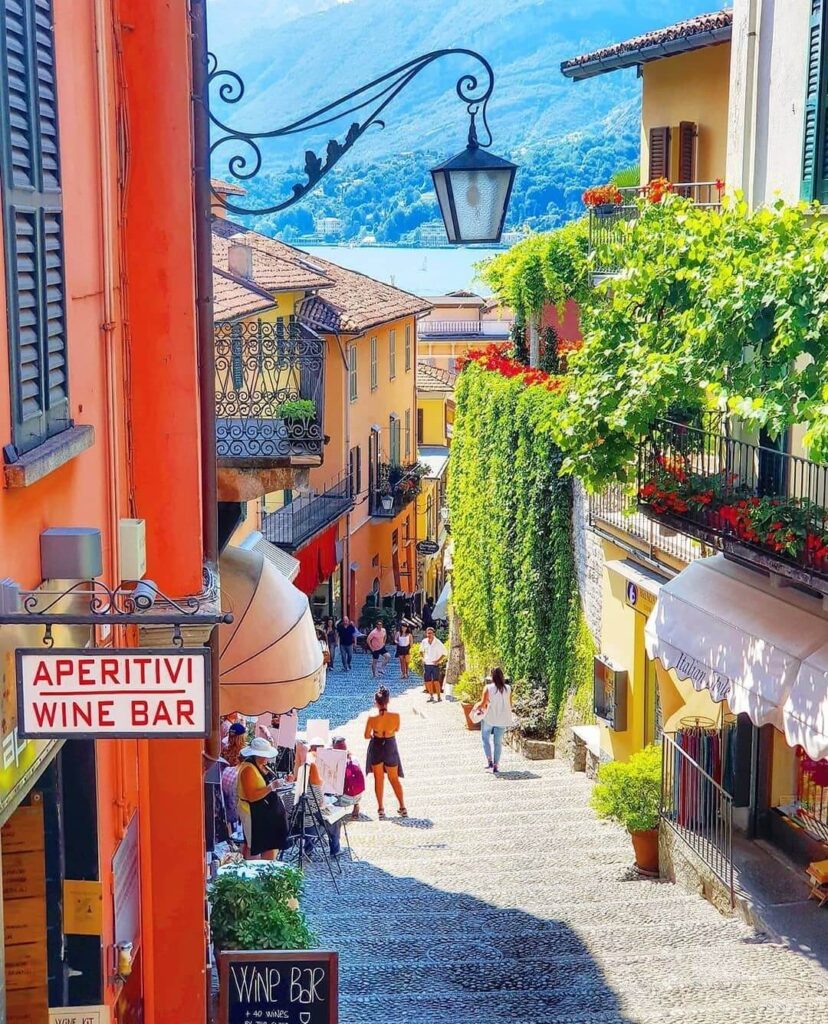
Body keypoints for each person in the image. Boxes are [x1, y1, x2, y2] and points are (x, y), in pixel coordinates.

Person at [236, 736, 289, 860]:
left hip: (265, 813)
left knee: (268, 844)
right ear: (257, 755)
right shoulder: (248, 769)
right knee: (254, 845)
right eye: (265, 755)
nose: (267, 758)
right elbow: (252, 796)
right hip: (254, 813)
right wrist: (271, 787)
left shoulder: (261, 765)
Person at [364, 686, 407, 819]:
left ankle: (381, 809)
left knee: (379, 779)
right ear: (388, 701)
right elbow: (397, 729)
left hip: (377, 745)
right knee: (394, 778)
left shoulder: (372, 718)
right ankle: (402, 806)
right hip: (390, 745)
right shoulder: (396, 716)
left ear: (376, 702)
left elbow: (366, 735)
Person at [475, 667, 513, 774]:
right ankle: (496, 765)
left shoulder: (488, 688)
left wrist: (476, 707)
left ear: (492, 677)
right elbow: (510, 704)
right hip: (503, 719)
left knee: (485, 739)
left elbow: (483, 704)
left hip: (490, 718)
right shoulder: (508, 688)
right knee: (498, 743)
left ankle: (490, 762)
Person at [220, 721, 247, 838]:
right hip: (239, 786)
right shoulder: (245, 751)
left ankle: (231, 836)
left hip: (224, 783)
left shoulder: (225, 750)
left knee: (229, 814)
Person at [332, 734, 365, 819]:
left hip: (345, 800)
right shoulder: (354, 758)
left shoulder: (337, 763)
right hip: (359, 795)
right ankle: (356, 805)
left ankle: (336, 812)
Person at [420, 626, 448, 702]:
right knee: (427, 681)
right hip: (427, 664)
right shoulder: (424, 641)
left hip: (435, 665)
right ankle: (431, 695)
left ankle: (439, 696)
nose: (429, 635)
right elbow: (421, 651)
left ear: (434, 634)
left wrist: (438, 661)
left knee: (436, 681)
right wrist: (423, 658)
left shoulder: (438, 642)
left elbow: (445, 653)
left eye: (430, 633)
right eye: (427, 633)